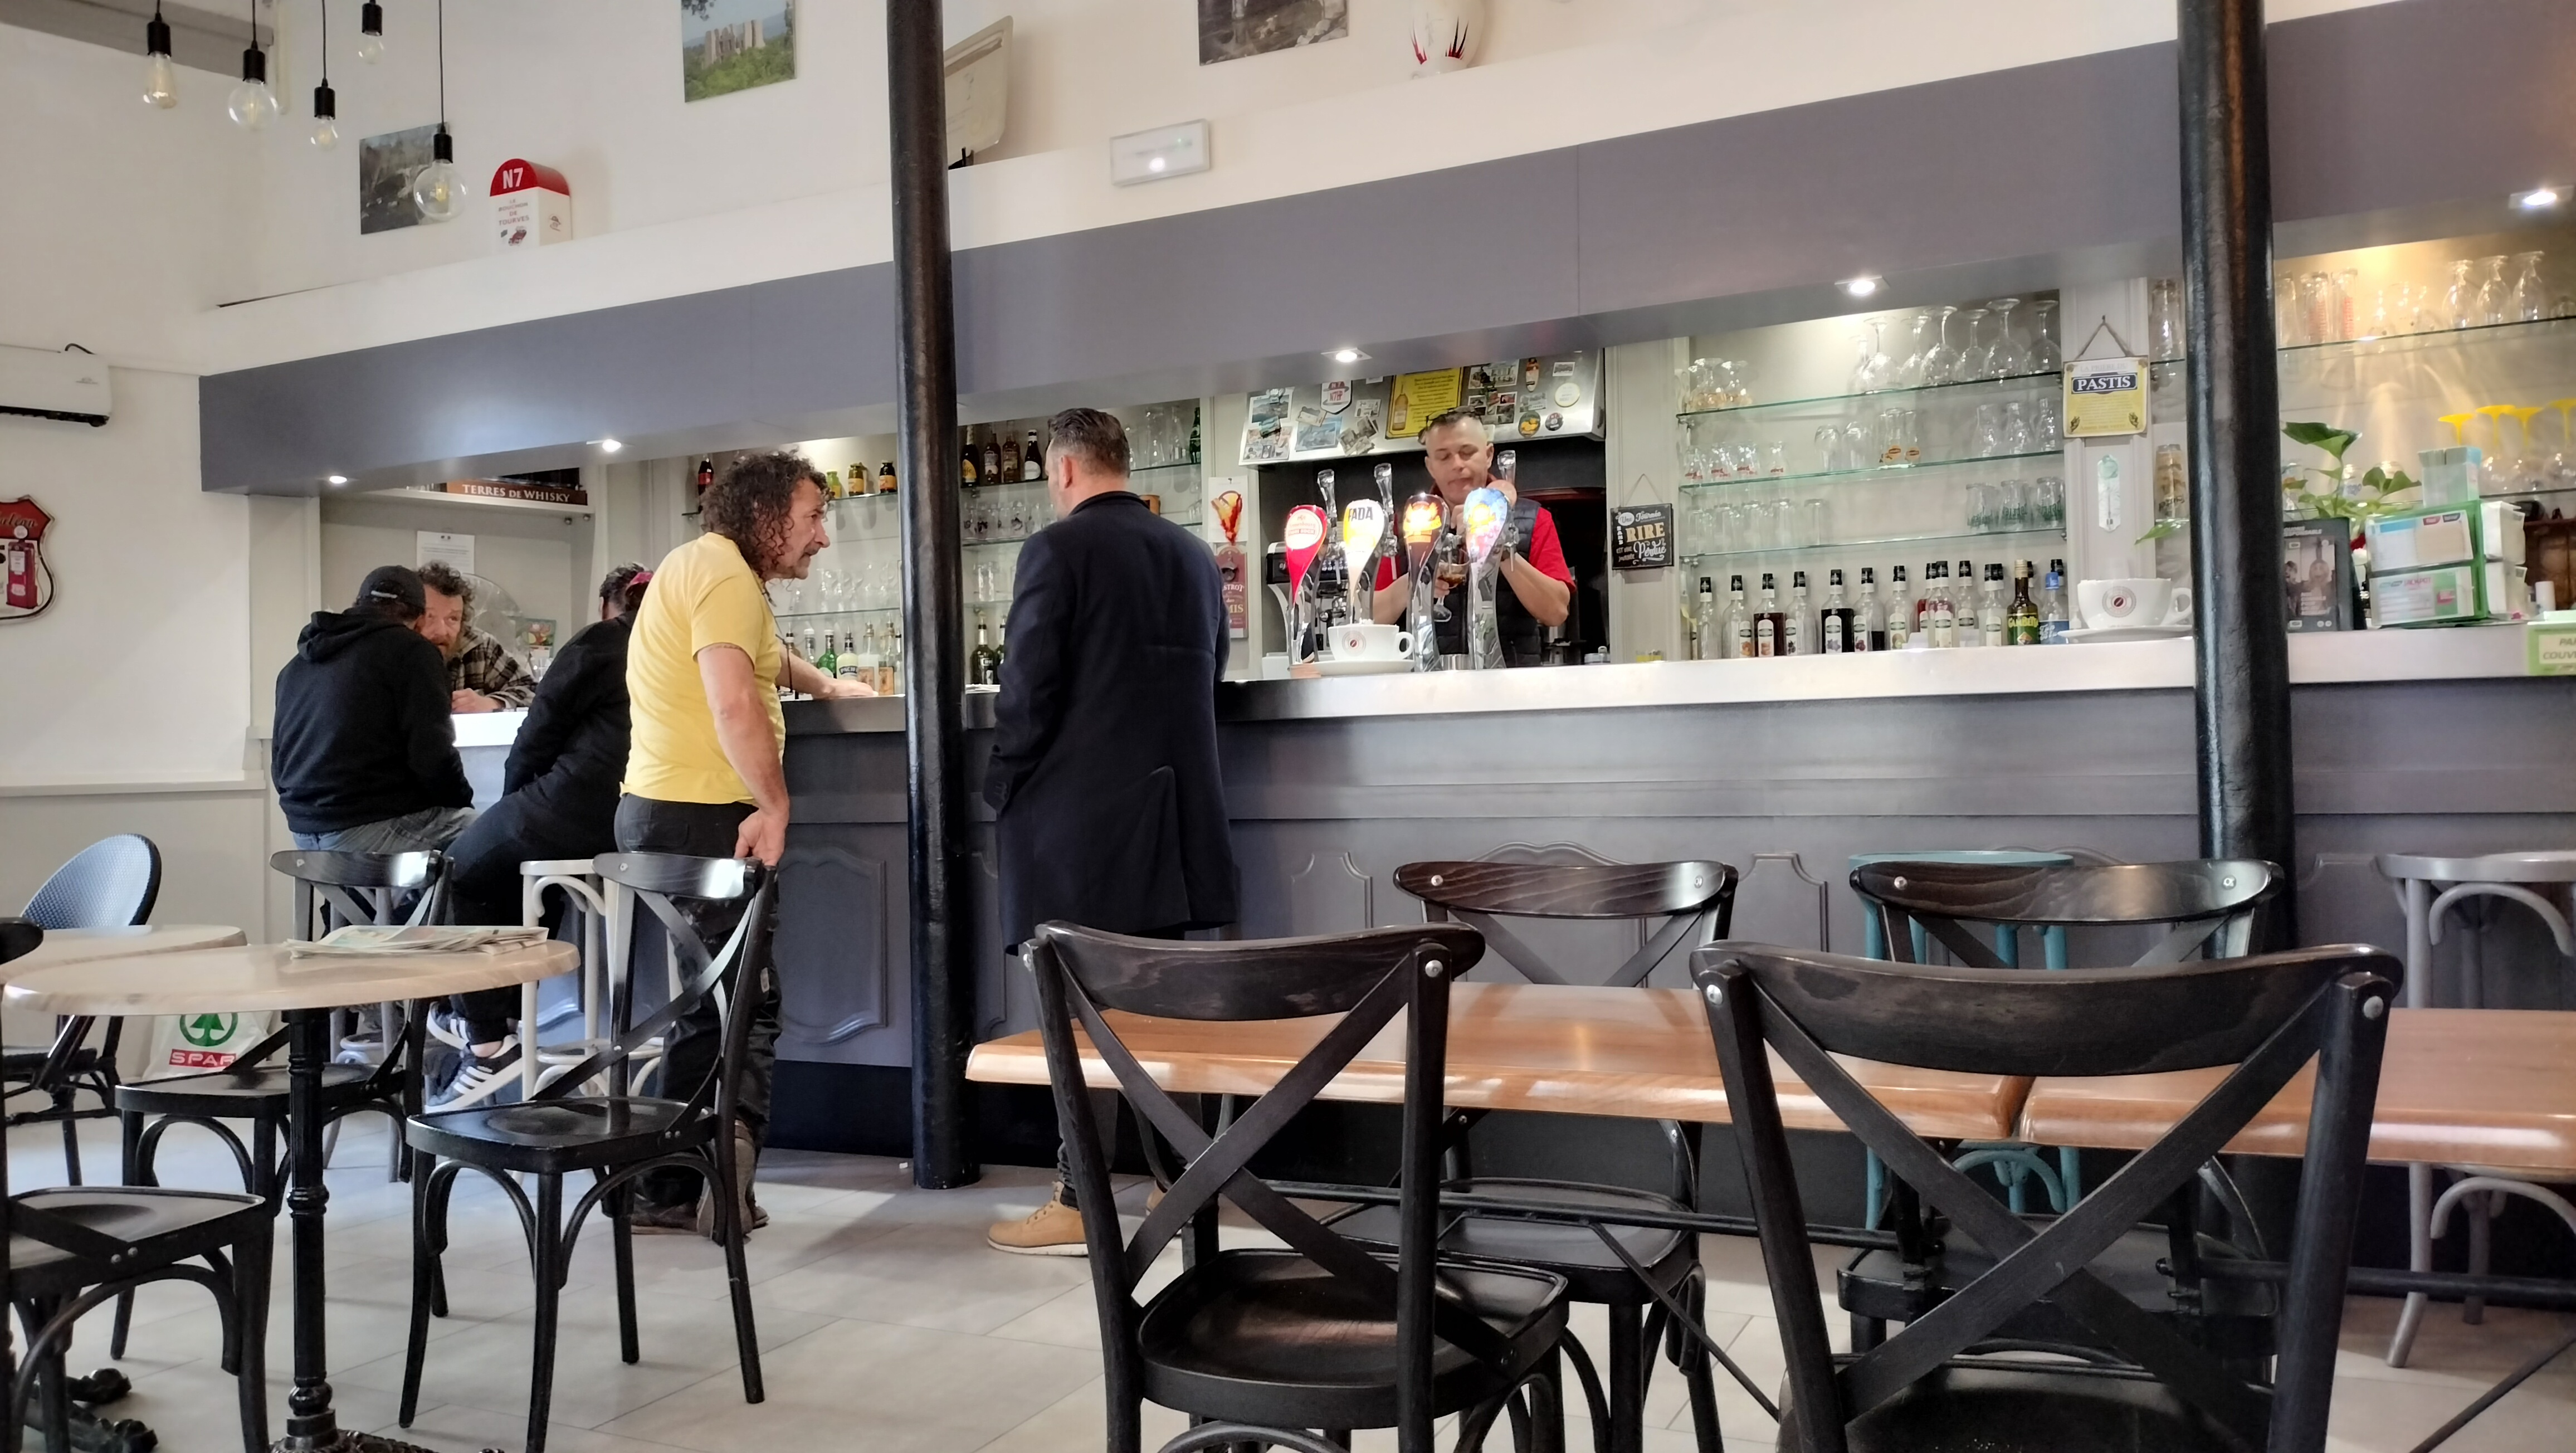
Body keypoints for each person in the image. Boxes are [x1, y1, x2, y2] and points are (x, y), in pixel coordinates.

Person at [983, 408, 1238, 1256]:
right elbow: (1215, 672)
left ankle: (1077, 1198)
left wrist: (1001, 783)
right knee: (1167, 1014)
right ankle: (1182, 1184)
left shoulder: (1056, 550)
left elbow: (1027, 690)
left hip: (1080, 830)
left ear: (1062, 469)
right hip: (1177, 824)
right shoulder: (1194, 555)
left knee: (1074, 1015)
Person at [620, 452, 870, 1234]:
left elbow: (749, 657)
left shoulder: (698, 565)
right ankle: (724, 1183)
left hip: (661, 810)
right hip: (707, 816)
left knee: (711, 1007)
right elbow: (733, 703)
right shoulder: (728, 578)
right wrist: (775, 803)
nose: (821, 536)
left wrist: (821, 682)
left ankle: (666, 1186)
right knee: (746, 1008)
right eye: (811, 517)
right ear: (764, 516)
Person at [428, 564, 652, 1108]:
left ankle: (487, 1041)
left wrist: (514, 799)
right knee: (527, 875)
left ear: (617, 607)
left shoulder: (602, 642)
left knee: (461, 867)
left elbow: (539, 728)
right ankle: (495, 1013)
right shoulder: (691, 647)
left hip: (579, 804)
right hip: (647, 817)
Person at [272, 565, 477, 852]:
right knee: (493, 833)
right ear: (419, 619)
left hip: (303, 832)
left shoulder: (297, 665)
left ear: (358, 604)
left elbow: (279, 763)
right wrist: (463, 802)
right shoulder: (413, 652)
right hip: (369, 827)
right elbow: (432, 756)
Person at [1372, 409, 1574, 664]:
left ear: (1489, 455)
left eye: (1467, 452)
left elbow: (1556, 612)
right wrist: (1417, 581)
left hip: (1510, 680)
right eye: (1444, 457)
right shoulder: (1402, 526)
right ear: (1430, 466)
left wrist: (1496, 545)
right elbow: (1369, 619)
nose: (1457, 464)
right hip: (1424, 683)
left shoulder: (1532, 519)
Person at [416, 560, 538, 713]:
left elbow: (532, 692)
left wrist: (491, 703)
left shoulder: (480, 646)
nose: (442, 631)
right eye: (429, 616)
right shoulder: (391, 649)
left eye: (453, 618)